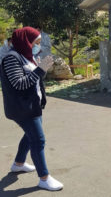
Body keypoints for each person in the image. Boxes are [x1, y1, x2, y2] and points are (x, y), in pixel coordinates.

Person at [0, 27, 63, 191]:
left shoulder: (27, 56)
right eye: (36, 42)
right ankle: (44, 178)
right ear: (26, 41)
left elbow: (34, 79)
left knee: (30, 136)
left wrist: (40, 69)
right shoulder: (11, 59)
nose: (38, 46)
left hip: (32, 106)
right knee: (38, 140)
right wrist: (41, 69)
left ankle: (18, 164)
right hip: (22, 108)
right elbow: (19, 84)